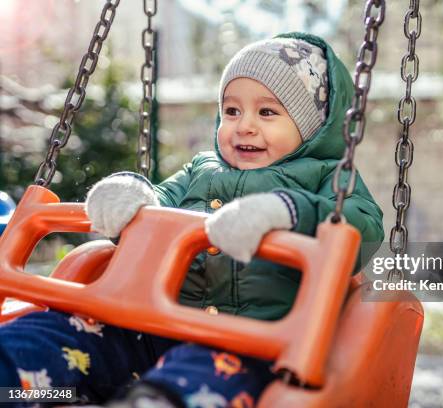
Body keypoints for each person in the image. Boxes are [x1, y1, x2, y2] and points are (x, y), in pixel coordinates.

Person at [0, 32, 383, 407]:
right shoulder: (203, 167)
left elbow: (363, 227)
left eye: (267, 112)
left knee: (196, 378)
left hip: (246, 345)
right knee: (58, 335)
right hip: (147, 327)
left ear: (312, 127)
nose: (244, 125)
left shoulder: (328, 178)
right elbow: (157, 200)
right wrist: (128, 192)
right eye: (232, 111)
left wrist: (286, 210)